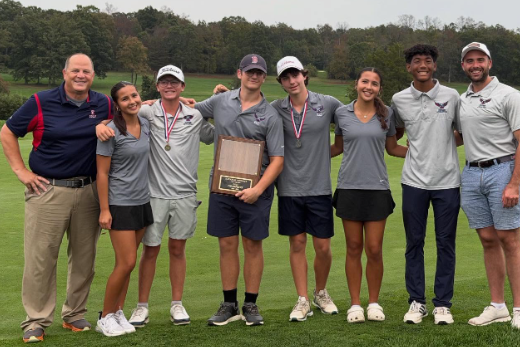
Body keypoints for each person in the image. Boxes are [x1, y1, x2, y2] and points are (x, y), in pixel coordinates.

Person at [0, 53, 113, 343]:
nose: (80, 75)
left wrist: (179, 102)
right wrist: (20, 171)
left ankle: (74, 313)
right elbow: (8, 132)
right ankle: (36, 320)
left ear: (93, 74)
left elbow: (133, 108)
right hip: (47, 191)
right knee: (41, 258)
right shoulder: (40, 101)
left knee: (85, 259)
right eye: (75, 70)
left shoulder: (103, 103)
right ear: (64, 73)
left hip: (89, 191)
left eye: (86, 71)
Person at [97, 65, 214, 327]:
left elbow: (214, 136)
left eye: (175, 82)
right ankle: (141, 307)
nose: (169, 86)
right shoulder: (147, 110)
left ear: (183, 86)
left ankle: (177, 304)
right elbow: (118, 116)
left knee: (177, 249)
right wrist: (98, 125)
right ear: (157, 86)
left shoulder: (195, 116)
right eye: (164, 82)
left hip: (185, 193)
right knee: (150, 250)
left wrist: (216, 103)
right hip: (153, 194)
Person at [191, 54, 284, 326]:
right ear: (239, 73)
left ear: (264, 77)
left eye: (259, 73)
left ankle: (251, 304)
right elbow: (189, 111)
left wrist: (258, 189)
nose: (254, 76)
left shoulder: (270, 114)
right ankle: (229, 304)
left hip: (257, 190)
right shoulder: (220, 101)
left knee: (253, 246)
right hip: (221, 188)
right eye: (249, 71)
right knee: (227, 245)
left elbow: (278, 159)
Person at [459, 42, 520, 330]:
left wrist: (514, 183)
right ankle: (498, 306)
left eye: (480, 59)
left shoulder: (508, 95)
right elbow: (461, 136)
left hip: (503, 170)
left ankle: (519, 309)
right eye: (469, 60)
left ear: (489, 62)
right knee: (488, 240)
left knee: (509, 240)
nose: (475, 64)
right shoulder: (462, 99)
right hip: (471, 174)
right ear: (463, 65)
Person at [390, 44, 461, 325]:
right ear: (408, 67)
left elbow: (463, 133)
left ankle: (442, 304)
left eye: (427, 60)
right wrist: (416, 152)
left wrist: (440, 147)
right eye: (416, 61)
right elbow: (393, 140)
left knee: (446, 243)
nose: (422, 64)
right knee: (414, 243)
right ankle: (416, 302)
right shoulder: (399, 99)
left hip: (447, 182)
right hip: (414, 183)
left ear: (434, 66)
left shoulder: (451, 96)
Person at [331, 68, 407, 323]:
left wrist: (425, 152)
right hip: (349, 188)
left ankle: (373, 303)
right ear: (357, 84)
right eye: (365, 81)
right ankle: (355, 305)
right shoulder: (342, 113)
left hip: (377, 188)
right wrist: (305, 154)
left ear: (379, 89)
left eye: (374, 83)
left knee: (374, 249)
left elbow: (393, 148)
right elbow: (337, 148)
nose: (369, 86)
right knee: (353, 248)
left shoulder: (387, 114)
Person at [271, 56, 342, 322]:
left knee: (322, 246)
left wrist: (325, 154)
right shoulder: (276, 108)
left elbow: (354, 119)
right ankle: (302, 300)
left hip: (319, 187)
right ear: (281, 82)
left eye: (295, 75)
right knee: (297, 243)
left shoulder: (328, 103)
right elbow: (246, 108)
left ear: (304, 75)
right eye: (286, 78)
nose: (292, 81)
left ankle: (320, 292)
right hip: (289, 188)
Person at [95, 82, 153, 337]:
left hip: (142, 201)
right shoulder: (109, 132)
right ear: (116, 104)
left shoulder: (146, 124)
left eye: (135, 95)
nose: (132, 101)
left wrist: (185, 102)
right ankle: (105, 316)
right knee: (126, 262)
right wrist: (104, 210)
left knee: (128, 264)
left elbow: (155, 104)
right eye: (125, 98)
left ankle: (119, 311)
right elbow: (102, 173)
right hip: (120, 204)